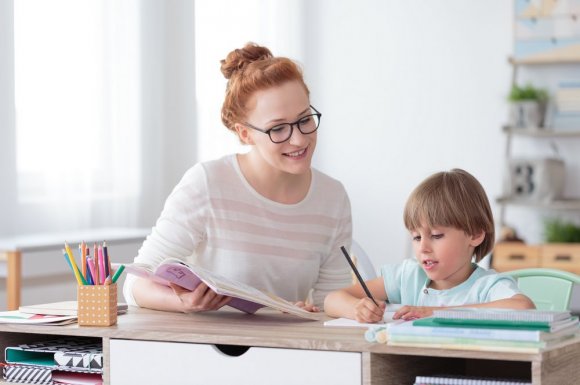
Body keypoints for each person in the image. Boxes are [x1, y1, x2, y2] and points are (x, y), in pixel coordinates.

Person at [123, 42, 352, 313]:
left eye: (305, 120)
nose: (299, 139)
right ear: (245, 134)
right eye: (278, 129)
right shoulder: (208, 183)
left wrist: (311, 311)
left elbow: (331, 304)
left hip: (287, 349)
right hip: (208, 347)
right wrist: (184, 303)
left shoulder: (332, 197)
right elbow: (136, 285)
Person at [324, 169, 535, 323]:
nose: (423, 247)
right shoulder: (408, 276)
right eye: (416, 237)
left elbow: (524, 308)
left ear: (475, 234)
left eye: (436, 235)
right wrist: (356, 309)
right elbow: (332, 299)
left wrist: (437, 311)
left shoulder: (487, 286)